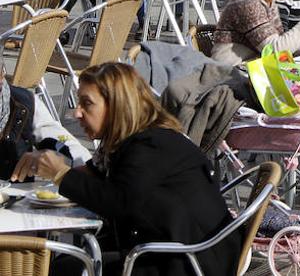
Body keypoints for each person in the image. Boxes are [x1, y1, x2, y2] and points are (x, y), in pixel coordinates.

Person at [12, 62, 238, 275]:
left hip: (184, 261)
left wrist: (60, 174)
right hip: (173, 249)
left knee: (60, 269)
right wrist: (49, 162)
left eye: (87, 103)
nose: (77, 113)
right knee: (65, 262)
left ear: (118, 105)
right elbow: (98, 176)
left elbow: (118, 203)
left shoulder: (150, 146)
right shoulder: (134, 140)